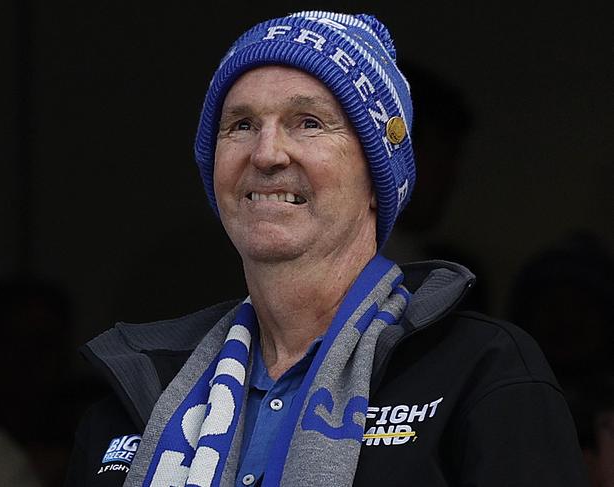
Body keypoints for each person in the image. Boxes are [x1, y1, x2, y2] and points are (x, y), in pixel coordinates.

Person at [65, 10, 589, 486]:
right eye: (241, 125)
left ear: (375, 178)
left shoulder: (483, 370)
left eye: (308, 123)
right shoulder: (134, 398)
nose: (267, 153)